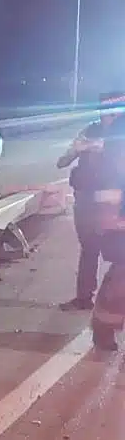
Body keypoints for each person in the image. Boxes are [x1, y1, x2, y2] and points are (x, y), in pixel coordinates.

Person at [56, 92, 125, 311]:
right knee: (89, 249)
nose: (111, 114)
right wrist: (79, 148)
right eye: (107, 108)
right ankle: (84, 297)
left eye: (117, 108)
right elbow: (62, 161)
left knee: (120, 254)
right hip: (86, 201)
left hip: (116, 202)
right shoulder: (89, 131)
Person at [88, 106, 125, 350]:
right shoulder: (114, 164)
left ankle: (103, 327)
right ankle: (102, 328)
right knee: (119, 283)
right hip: (120, 230)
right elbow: (106, 198)